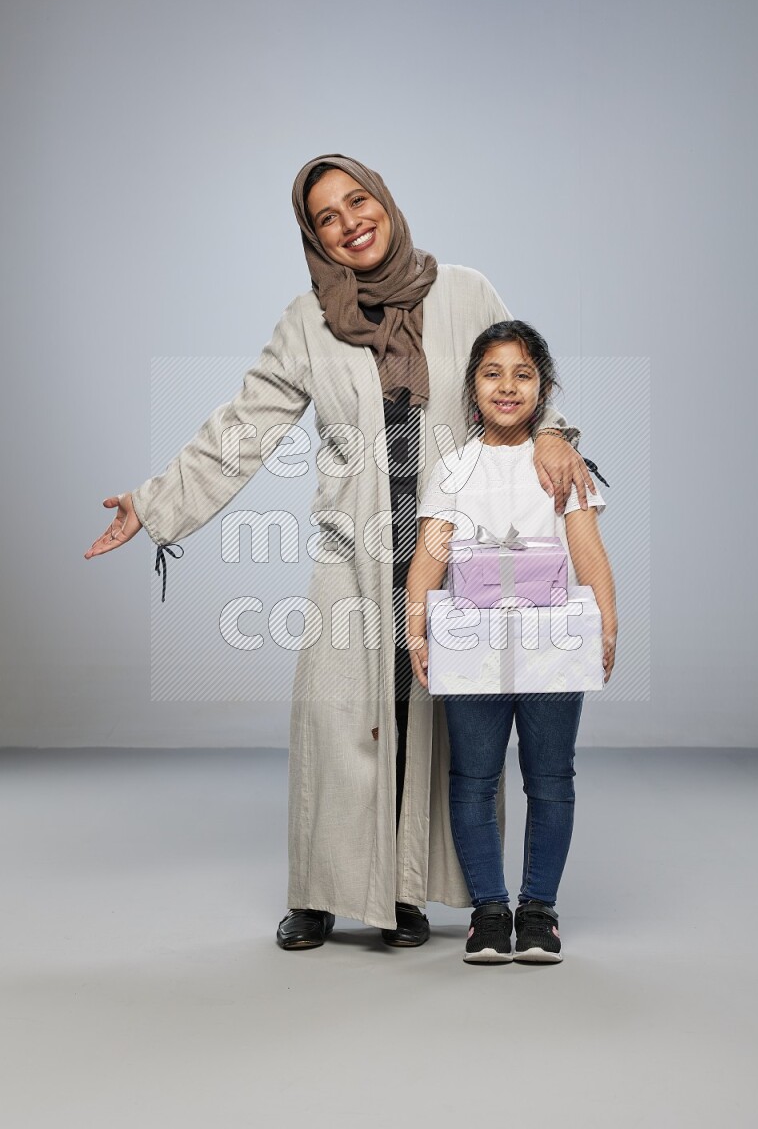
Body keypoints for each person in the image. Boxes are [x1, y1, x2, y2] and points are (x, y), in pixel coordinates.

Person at [84, 154, 597, 950]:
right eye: (327, 216)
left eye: (358, 200)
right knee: (334, 722)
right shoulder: (306, 321)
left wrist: (559, 436)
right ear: (314, 236)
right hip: (352, 553)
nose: (350, 220)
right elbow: (243, 427)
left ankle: (406, 894)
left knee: (431, 725)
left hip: (449, 553)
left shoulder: (465, 291)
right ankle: (316, 894)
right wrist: (154, 505)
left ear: (385, 202)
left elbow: (524, 381)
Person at [405, 319, 616, 964]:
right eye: (492, 373)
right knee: (473, 778)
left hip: (550, 642)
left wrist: (606, 620)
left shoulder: (561, 464)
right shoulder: (454, 466)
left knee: (549, 777)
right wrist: (416, 623)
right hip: (471, 642)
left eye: (523, 374)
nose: (507, 386)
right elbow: (433, 548)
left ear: (542, 388)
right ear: (473, 389)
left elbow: (586, 546)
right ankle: (490, 912)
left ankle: (540, 909)